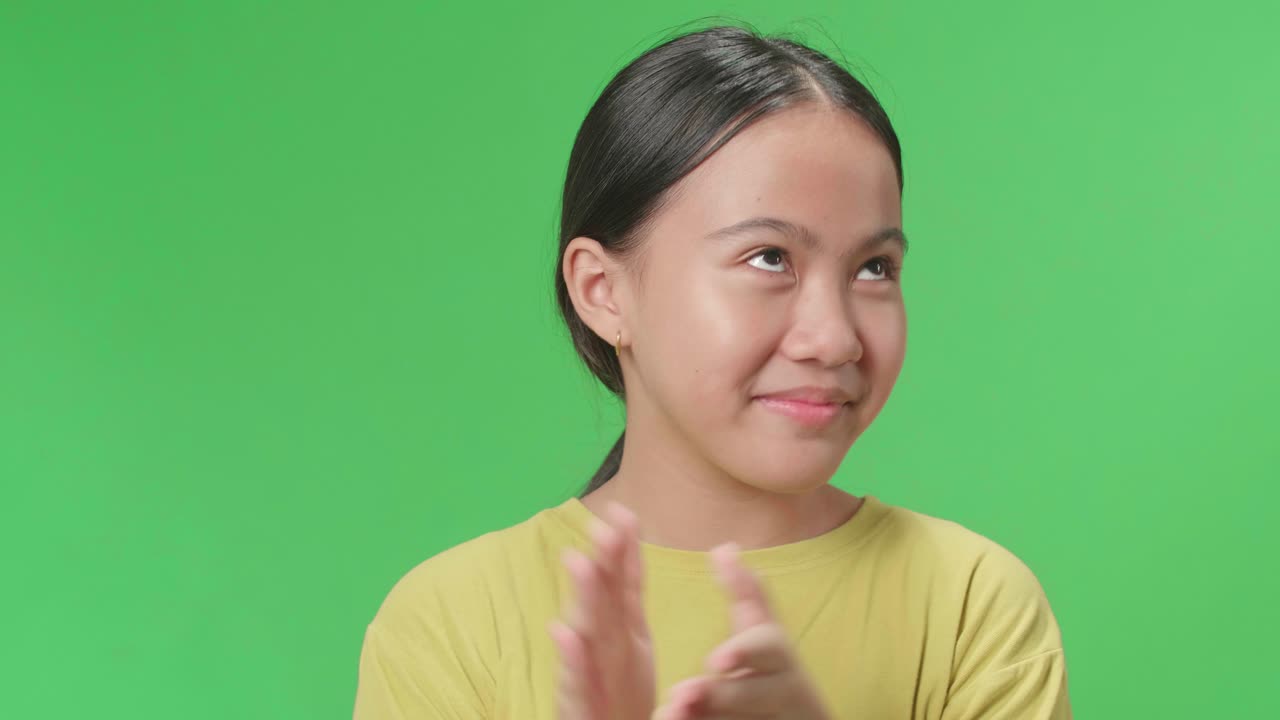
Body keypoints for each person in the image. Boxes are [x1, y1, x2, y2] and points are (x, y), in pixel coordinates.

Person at [352, 22, 1071, 720]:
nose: (833, 338)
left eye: (874, 268)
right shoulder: (451, 625)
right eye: (768, 257)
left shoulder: (970, 607)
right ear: (603, 291)